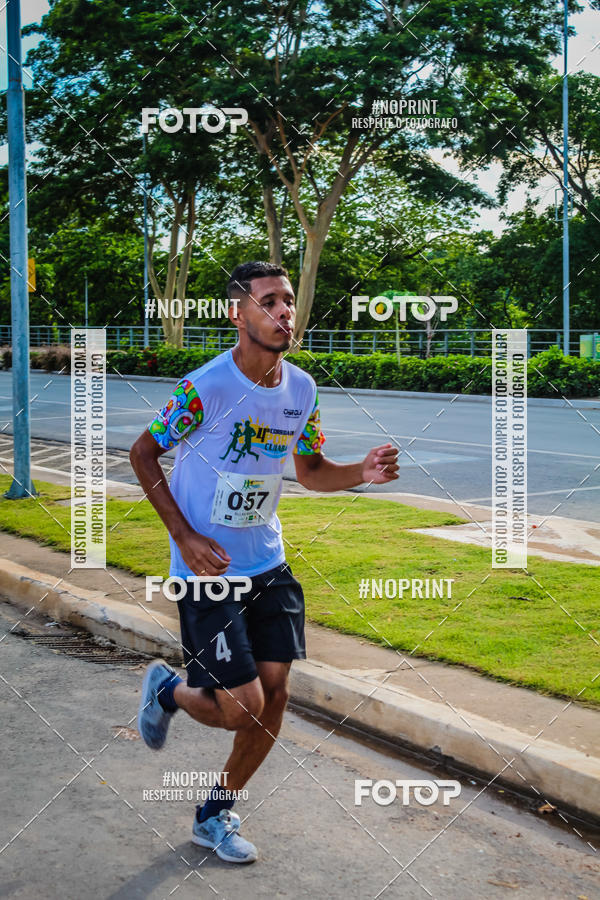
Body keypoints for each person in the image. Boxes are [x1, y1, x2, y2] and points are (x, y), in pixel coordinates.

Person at [130, 260, 399, 864]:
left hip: (268, 565)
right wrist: (184, 537)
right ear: (238, 313)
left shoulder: (301, 389)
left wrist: (363, 471)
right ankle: (169, 692)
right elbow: (144, 454)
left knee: (274, 698)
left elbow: (309, 472)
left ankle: (214, 814)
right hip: (209, 574)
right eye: (269, 302)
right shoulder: (205, 387)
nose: (284, 313)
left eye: (288, 302)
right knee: (241, 706)